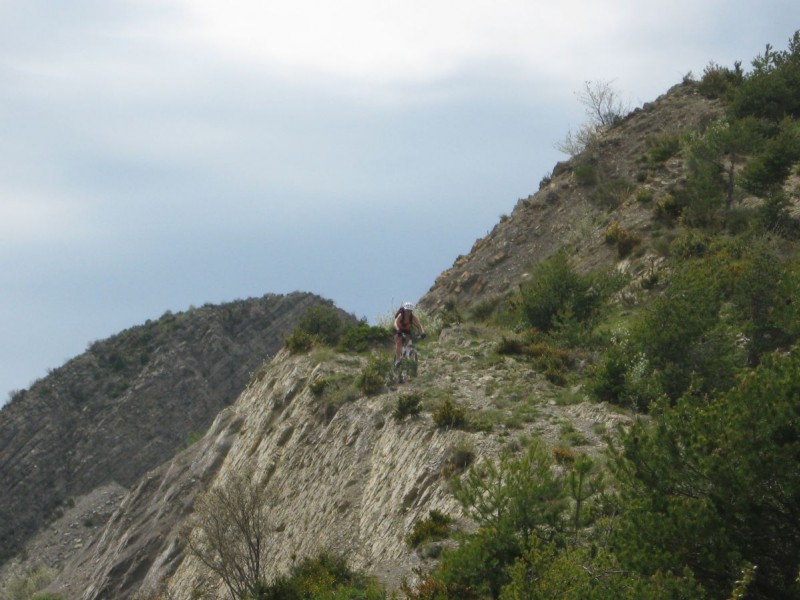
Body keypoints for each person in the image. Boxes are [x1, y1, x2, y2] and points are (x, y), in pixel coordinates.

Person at [394, 301, 425, 366]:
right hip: (398, 330)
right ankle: (397, 360)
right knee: (399, 342)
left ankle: (408, 353)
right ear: (404, 310)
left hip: (407, 331)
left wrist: (423, 332)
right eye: (407, 310)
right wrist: (398, 330)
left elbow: (419, 324)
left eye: (410, 311)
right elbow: (395, 322)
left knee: (409, 341)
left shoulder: (412, 317)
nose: (408, 312)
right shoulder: (401, 315)